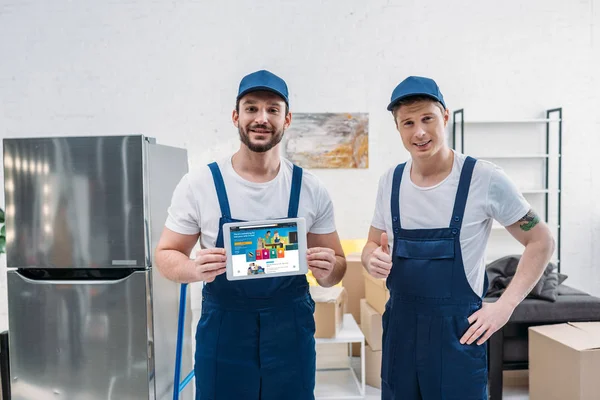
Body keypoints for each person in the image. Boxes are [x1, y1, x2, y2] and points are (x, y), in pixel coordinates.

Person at [155, 69, 346, 400]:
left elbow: (339, 266)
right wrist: (193, 269)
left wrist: (330, 271)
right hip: (224, 333)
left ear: (287, 120)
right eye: (252, 108)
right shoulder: (200, 185)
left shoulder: (311, 189)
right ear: (235, 116)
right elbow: (165, 255)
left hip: (291, 335)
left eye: (273, 109)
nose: (262, 118)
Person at [361, 76, 555, 399]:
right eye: (407, 123)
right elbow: (370, 245)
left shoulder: (484, 179)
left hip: (457, 340)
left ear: (445, 116)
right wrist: (371, 258)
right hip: (399, 337)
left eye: (427, 118)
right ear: (398, 129)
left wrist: (505, 306)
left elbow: (542, 240)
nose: (419, 132)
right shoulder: (389, 182)